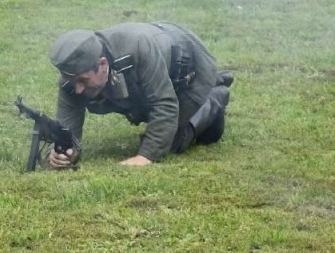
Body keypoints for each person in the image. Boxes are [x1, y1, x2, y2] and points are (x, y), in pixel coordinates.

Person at [47, 25, 233, 167]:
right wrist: (62, 152)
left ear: (102, 65)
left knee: (171, 141)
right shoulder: (73, 79)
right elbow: (67, 129)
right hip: (150, 74)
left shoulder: (138, 49)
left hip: (189, 64)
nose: (78, 89)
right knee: (149, 112)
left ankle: (214, 95)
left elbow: (164, 104)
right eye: (73, 81)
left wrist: (145, 157)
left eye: (83, 81)